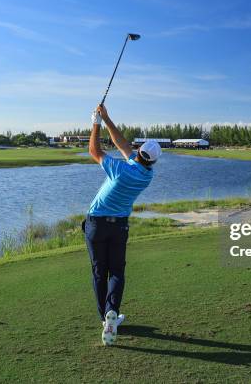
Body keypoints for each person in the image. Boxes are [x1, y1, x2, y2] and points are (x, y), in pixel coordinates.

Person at [84, 104, 162, 345]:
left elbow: (94, 150)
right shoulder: (146, 175)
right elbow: (122, 145)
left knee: (100, 272)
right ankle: (112, 314)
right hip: (119, 227)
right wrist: (106, 118)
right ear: (153, 161)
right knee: (116, 271)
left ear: (138, 151)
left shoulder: (119, 169)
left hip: (96, 223)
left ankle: (104, 318)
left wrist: (96, 123)